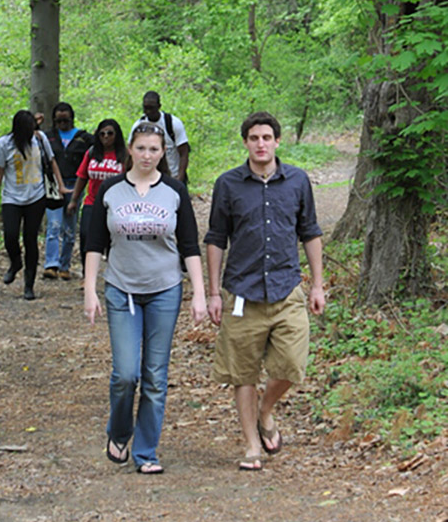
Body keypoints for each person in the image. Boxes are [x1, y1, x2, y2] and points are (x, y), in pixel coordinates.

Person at [204, 111, 326, 471]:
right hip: (242, 290)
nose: (261, 144)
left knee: (291, 364)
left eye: (267, 138)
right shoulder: (228, 184)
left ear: (277, 141)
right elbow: (215, 238)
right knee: (242, 373)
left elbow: (310, 232)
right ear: (245, 142)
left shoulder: (298, 181)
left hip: (287, 287)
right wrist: (213, 292)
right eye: (254, 138)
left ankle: (266, 410)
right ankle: (251, 444)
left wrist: (317, 285)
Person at [84, 122, 207, 474]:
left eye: (154, 150)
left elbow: (189, 246)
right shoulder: (110, 190)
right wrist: (90, 289)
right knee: (126, 374)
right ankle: (119, 431)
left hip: (164, 290)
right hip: (121, 290)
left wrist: (199, 292)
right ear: (130, 150)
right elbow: (95, 244)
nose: (147, 156)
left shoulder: (173, 191)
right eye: (141, 149)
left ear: (162, 153)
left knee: (155, 375)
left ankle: (146, 451)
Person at [0, 110, 66, 300]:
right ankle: (15, 263)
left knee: (30, 239)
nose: (33, 131)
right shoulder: (4, 144)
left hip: (36, 196)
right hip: (11, 198)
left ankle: (29, 285)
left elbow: (52, 162)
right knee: (10, 236)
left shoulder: (39, 140)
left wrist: (61, 185)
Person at [67, 119, 127, 278]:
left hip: (116, 205)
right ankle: (87, 275)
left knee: (112, 240)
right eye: (102, 134)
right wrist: (74, 200)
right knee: (86, 236)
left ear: (117, 135)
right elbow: (82, 176)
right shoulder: (92, 153)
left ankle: (115, 274)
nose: (106, 137)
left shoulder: (125, 155)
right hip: (92, 202)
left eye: (110, 133)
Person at [42, 102, 93, 280]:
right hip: (53, 187)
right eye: (59, 120)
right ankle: (51, 265)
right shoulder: (47, 137)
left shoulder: (83, 138)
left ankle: (65, 265)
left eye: (66, 119)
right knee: (54, 226)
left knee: (70, 229)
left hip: (74, 185)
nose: (62, 123)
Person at [130, 91, 189, 182]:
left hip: (173, 176)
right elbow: (131, 152)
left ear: (159, 106)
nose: (148, 111)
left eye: (152, 108)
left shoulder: (172, 123)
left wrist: (180, 178)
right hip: (148, 178)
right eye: (146, 108)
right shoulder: (139, 126)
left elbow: (184, 152)